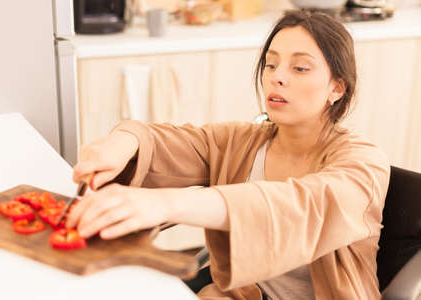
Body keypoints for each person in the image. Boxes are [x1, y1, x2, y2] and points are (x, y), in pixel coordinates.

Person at [66, 10, 390, 300]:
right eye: (271, 63)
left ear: (337, 88)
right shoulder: (243, 141)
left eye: (300, 68)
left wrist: (165, 203)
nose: (277, 76)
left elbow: (295, 206)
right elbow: (169, 141)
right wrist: (122, 142)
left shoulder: (363, 166)